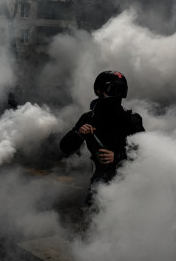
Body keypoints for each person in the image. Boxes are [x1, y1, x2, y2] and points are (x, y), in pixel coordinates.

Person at [60, 70, 145, 205]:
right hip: (102, 178)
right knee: (94, 206)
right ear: (99, 92)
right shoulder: (89, 118)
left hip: (130, 176)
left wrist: (117, 156)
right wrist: (79, 134)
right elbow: (65, 147)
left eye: (120, 91)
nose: (116, 96)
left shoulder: (132, 119)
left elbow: (144, 151)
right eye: (113, 90)